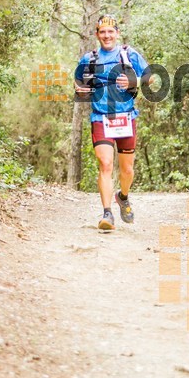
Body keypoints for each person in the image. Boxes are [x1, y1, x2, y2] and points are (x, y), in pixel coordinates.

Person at [74, 14, 149, 231]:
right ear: (97, 34)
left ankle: (122, 197)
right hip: (100, 117)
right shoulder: (89, 59)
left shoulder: (128, 54)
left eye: (110, 32)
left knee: (127, 170)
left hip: (126, 116)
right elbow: (79, 84)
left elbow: (150, 77)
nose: (107, 36)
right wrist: (81, 89)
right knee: (105, 164)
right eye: (102, 32)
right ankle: (107, 213)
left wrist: (134, 80)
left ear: (116, 33)